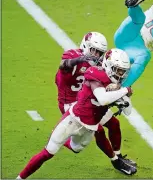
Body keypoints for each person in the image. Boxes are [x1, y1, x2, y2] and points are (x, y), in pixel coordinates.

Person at [16, 49, 136, 179]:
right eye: (119, 70)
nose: (121, 74)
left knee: (76, 149)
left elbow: (128, 111)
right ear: (108, 65)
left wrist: (122, 99)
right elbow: (102, 98)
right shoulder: (95, 73)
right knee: (48, 153)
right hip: (73, 120)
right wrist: (124, 91)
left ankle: (63, 139)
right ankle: (19, 178)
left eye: (123, 71)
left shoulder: (115, 85)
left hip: (89, 128)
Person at [55, 32, 136, 171]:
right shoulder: (73, 56)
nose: (97, 55)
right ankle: (115, 162)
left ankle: (119, 155)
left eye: (100, 52)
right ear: (86, 45)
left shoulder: (99, 66)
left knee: (114, 124)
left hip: (89, 99)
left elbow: (103, 82)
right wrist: (80, 59)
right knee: (97, 130)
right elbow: (63, 66)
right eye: (94, 50)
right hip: (70, 102)